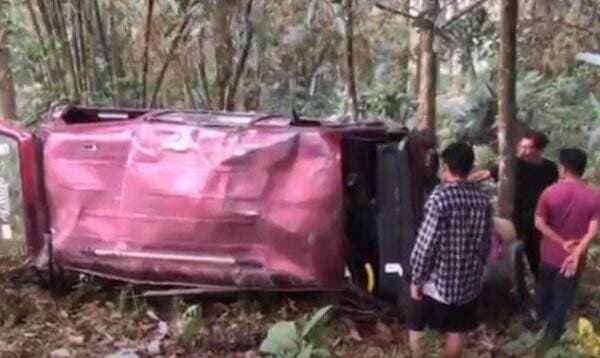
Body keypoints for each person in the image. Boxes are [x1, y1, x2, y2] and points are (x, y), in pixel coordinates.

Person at [408, 142, 493, 358]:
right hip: (468, 283)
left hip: (437, 283)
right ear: (469, 168)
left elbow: (426, 245)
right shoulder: (483, 202)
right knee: (457, 332)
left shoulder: (440, 199)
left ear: (446, 167)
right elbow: (485, 244)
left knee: (417, 327)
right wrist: (477, 270)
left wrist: (417, 279)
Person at [470, 130, 558, 278]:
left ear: (539, 150)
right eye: (521, 147)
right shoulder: (513, 164)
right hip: (515, 218)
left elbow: (553, 192)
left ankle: (540, 288)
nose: (522, 151)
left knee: (536, 258)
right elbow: (487, 174)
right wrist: (462, 180)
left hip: (538, 221)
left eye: (527, 148)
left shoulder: (550, 168)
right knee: (512, 256)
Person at [534, 148, 600, 344]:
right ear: (582, 169)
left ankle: (539, 331)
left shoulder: (549, 192)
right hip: (574, 262)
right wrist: (576, 251)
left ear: (563, 168)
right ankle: (552, 338)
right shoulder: (594, 196)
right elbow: (593, 231)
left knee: (544, 293)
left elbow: (539, 223)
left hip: (548, 256)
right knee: (563, 299)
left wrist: (562, 243)